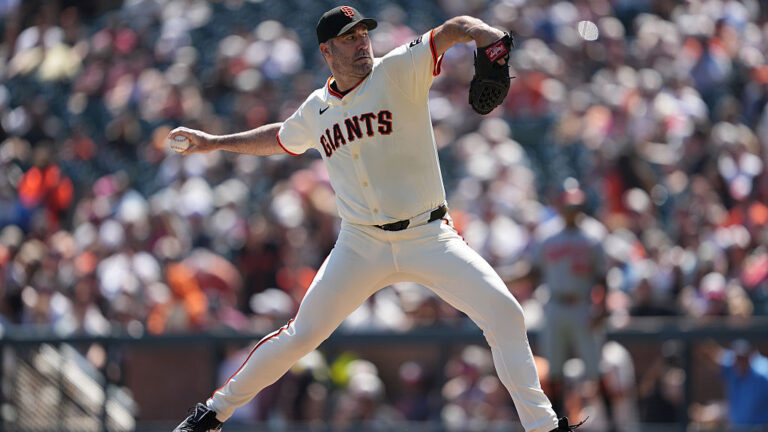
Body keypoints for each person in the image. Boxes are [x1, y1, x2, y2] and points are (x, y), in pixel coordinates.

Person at [168, 6, 582, 432]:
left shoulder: (399, 68)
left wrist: (487, 37)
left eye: (364, 33)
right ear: (327, 51)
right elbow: (279, 138)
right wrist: (213, 142)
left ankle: (544, 428)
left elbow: (456, 28)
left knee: (505, 315)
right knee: (301, 335)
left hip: (428, 235)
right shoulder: (316, 108)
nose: (362, 42)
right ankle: (211, 414)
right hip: (360, 243)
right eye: (349, 38)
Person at [508, 186, 609, 420]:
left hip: (583, 304)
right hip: (555, 305)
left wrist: (602, 308)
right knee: (554, 370)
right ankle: (557, 421)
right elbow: (534, 272)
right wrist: (504, 277)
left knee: (595, 369)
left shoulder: (594, 234)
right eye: (568, 206)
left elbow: (603, 278)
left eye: (576, 206)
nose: (572, 210)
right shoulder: (548, 235)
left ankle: (613, 423)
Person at [700, 339, 768, 429]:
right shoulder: (731, 365)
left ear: (752, 352)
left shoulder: (763, 373)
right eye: (737, 357)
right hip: (736, 428)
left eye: (743, 357)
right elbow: (709, 354)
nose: (739, 361)